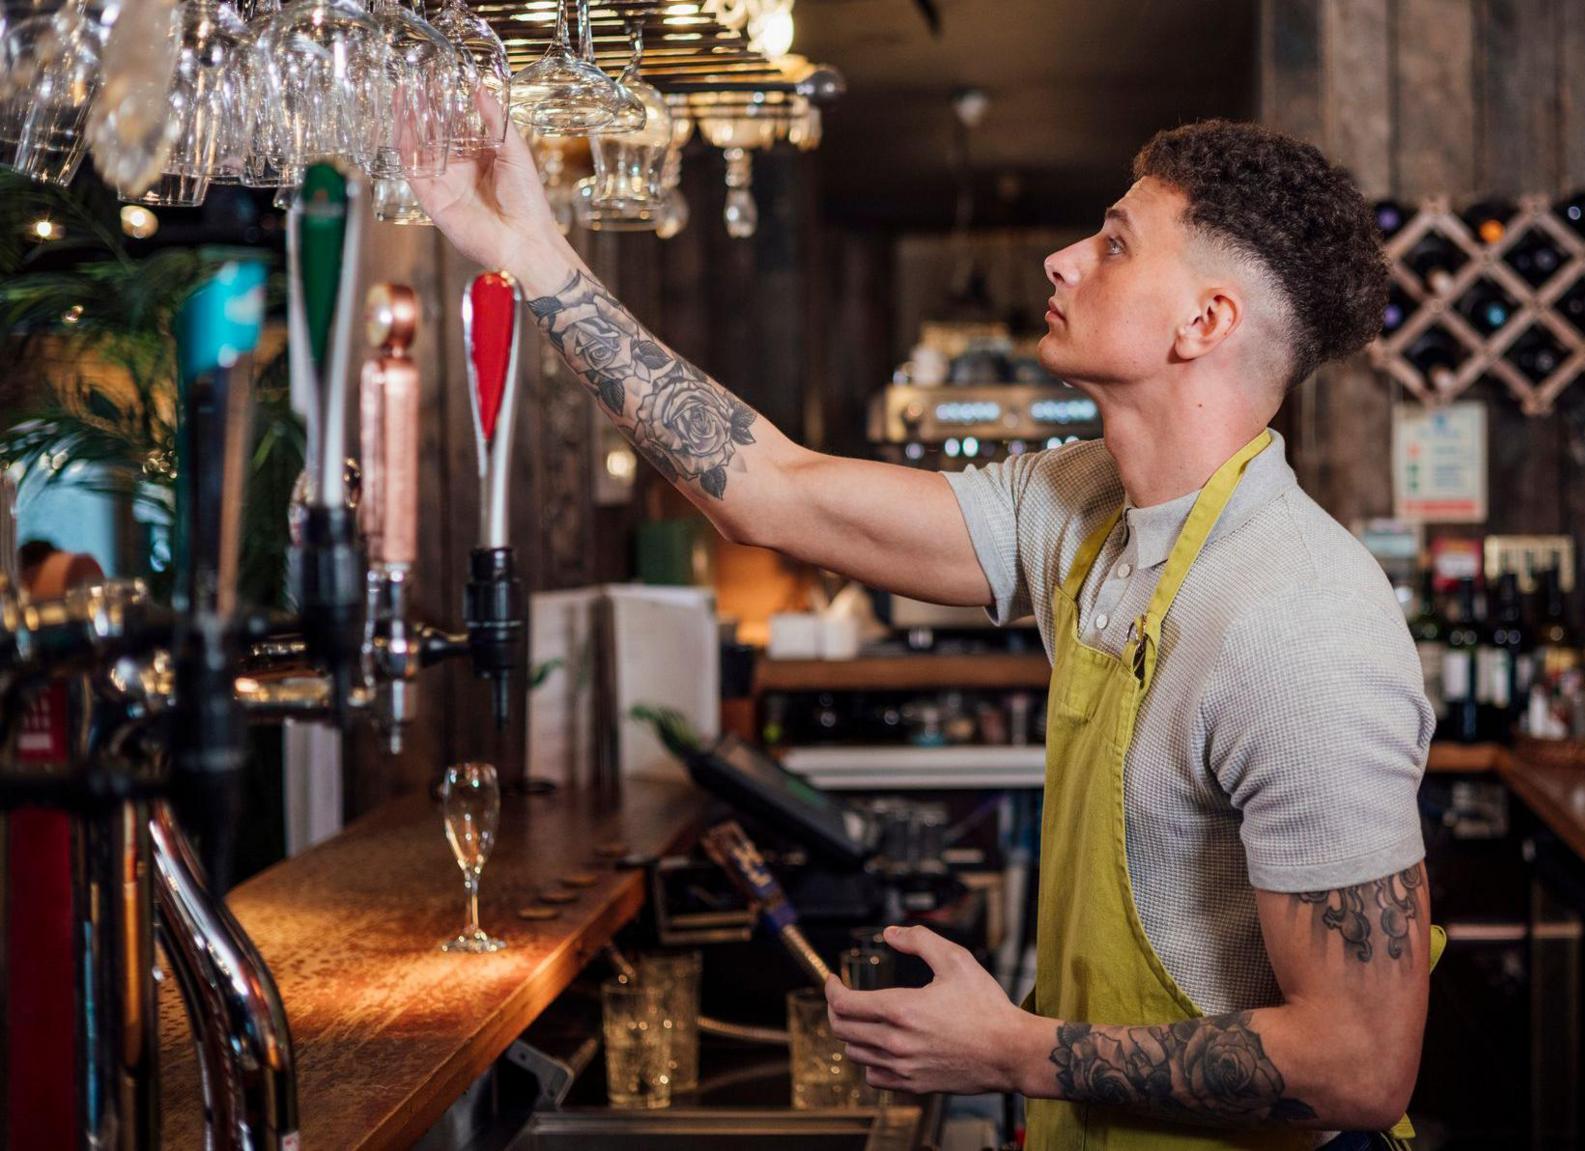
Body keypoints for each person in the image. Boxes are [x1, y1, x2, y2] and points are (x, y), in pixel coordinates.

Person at [415, 103, 1435, 1146]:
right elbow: (774, 492)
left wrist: (1010, 1048)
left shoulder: (1301, 624)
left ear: (1202, 323)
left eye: (1115, 242)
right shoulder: (1083, 505)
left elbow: (1358, 1067)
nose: (1061, 258)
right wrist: (528, 252)